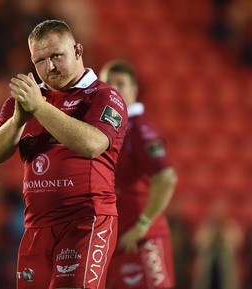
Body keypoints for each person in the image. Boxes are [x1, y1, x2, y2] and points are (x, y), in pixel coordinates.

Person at [0, 19, 128, 289]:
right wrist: (17, 121)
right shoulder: (25, 102)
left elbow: (92, 144)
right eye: (39, 60)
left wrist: (39, 108)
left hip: (85, 223)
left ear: (77, 51)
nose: (48, 67)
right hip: (37, 229)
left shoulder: (104, 96)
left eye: (56, 56)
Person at [99, 60, 177, 289]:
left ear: (134, 91)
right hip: (117, 239)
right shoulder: (109, 129)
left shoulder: (140, 129)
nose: (113, 89)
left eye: (120, 84)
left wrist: (143, 225)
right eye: (107, 84)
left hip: (142, 238)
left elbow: (166, 177)